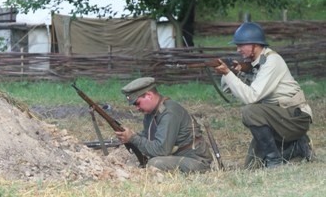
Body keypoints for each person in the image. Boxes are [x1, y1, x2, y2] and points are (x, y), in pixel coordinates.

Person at [215, 22, 313, 168]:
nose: (238, 49)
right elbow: (227, 89)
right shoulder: (258, 61)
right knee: (252, 166)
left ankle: (275, 161)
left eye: (241, 45)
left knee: (250, 111)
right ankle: (296, 148)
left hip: (295, 117)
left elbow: (251, 97)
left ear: (254, 45)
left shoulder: (271, 61)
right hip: (278, 117)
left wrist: (228, 74)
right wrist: (233, 72)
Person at [115, 77, 213, 173]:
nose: (137, 108)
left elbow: (161, 150)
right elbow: (148, 138)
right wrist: (128, 136)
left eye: (137, 103)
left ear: (149, 95)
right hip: (177, 156)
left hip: (196, 161)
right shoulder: (151, 112)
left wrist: (133, 138)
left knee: (154, 163)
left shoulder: (169, 112)